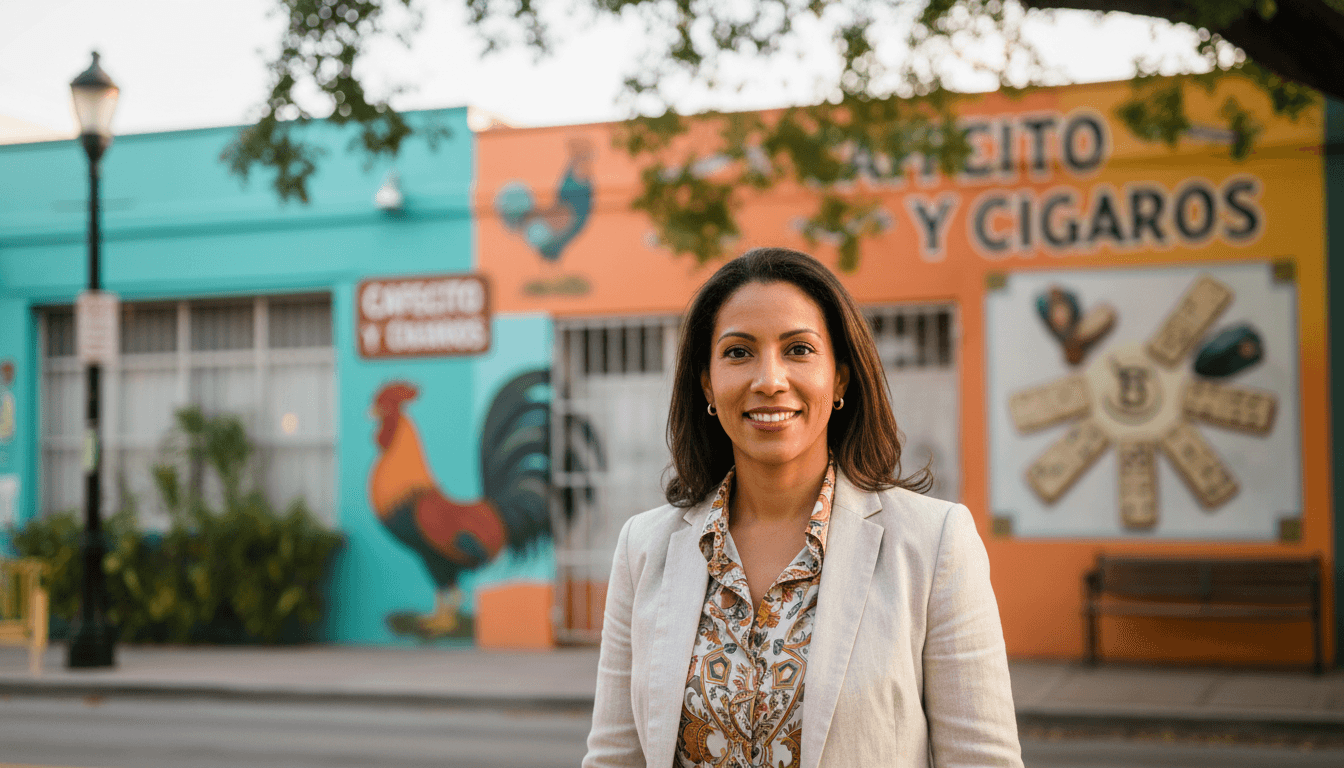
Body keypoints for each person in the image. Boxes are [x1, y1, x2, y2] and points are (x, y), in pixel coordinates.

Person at [583, 247, 1023, 768]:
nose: (769, 380)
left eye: (798, 350)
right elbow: (615, 758)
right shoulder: (644, 548)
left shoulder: (934, 544)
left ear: (839, 377)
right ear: (707, 382)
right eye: (738, 352)